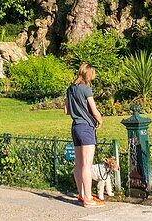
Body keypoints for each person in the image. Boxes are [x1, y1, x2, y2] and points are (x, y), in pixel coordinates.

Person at [65, 63, 104, 208]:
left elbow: (66, 110)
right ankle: (88, 198)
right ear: (88, 74)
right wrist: (99, 120)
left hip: (75, 127)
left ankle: (81, 195)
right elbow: (94, 110)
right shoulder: (86, 89)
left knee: (79, 164)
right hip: (86, 127)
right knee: (87, 164)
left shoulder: (70, 89)